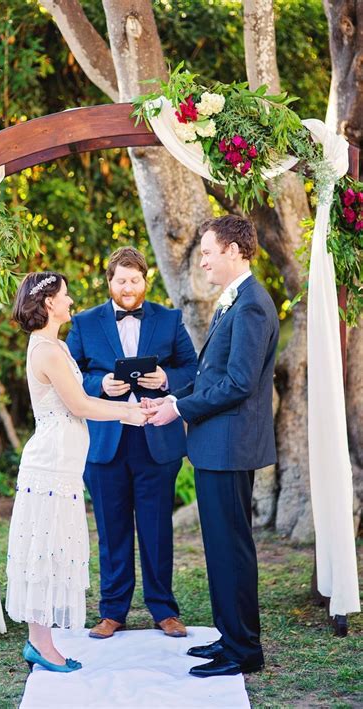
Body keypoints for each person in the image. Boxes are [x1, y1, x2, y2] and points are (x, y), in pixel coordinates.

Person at [143, 216, 279, 677]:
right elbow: (213, 378)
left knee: (232, 549)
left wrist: (180, 411)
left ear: (235, 251)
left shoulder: (252, 305)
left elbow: (239, 383)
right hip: (216, 447)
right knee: (220, 549)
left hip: (229, 447)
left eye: (207, 252)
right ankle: (230, 639)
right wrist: (175, 399)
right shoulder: (234, 303)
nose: (201, 260)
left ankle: (245, 651)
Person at [5, 271, 147, 674]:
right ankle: (40, 645)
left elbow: (81, 399)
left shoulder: (53, 345)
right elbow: (81, 405)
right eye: (65, 296)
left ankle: (41, 642)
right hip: (50, 464)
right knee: (45, 551)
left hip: (62, 465)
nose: (71, 301)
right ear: (48, 303)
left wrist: (126, 409)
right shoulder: (47, 351)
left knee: (51, 549)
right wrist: (130, 413)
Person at [66, 247, 197, 640]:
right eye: (121, 280)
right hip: (105, 442)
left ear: (145, 281)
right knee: (111, 529)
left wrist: (166, 381)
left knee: (157, 530)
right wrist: (99, 384)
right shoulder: (85, 323)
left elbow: (192, 368)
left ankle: (164, 610)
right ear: (110, 282)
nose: (128, 287)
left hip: (155, 438)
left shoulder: (169, 319)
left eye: (134, 280)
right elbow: (70, 375)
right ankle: (112, 611)